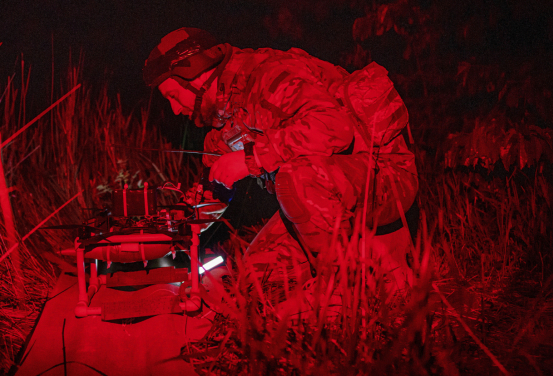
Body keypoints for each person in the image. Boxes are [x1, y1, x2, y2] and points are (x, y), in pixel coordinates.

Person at [143, 28, 419, 315]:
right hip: (331, 200)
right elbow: (215, 189)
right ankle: (380, 266)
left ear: (197, 75)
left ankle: (346, 289)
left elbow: (335, 127)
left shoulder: (267, 75)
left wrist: (252, 158)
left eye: (174, 96)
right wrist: (171, 227)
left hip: (384, 182)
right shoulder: (227, 113)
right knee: (256, 281)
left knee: (295, 177)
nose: (175, 110)